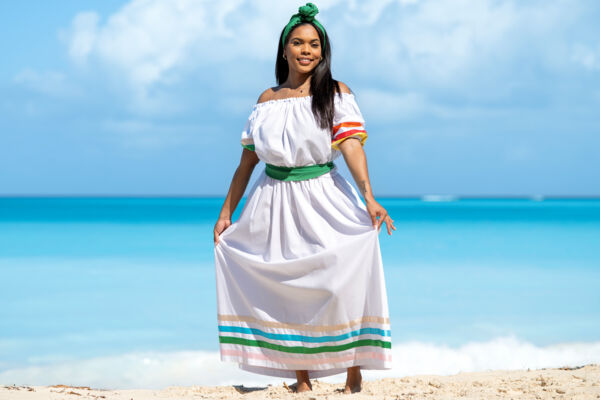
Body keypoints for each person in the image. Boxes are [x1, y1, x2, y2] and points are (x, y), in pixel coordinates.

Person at [213, 2, 395, 394]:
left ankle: (352, 368)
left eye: (314, 44)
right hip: (272, 201)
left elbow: (350, 146)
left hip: (324, 197)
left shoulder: (336, 93)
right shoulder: (266, 100)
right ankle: (302, 378)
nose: (306, 50)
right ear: (284, 49)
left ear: (323, 51)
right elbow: (245, 165)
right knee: (284, 287)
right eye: (298, 42)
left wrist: (369, 197)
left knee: (337, 283)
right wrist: (227, 212)